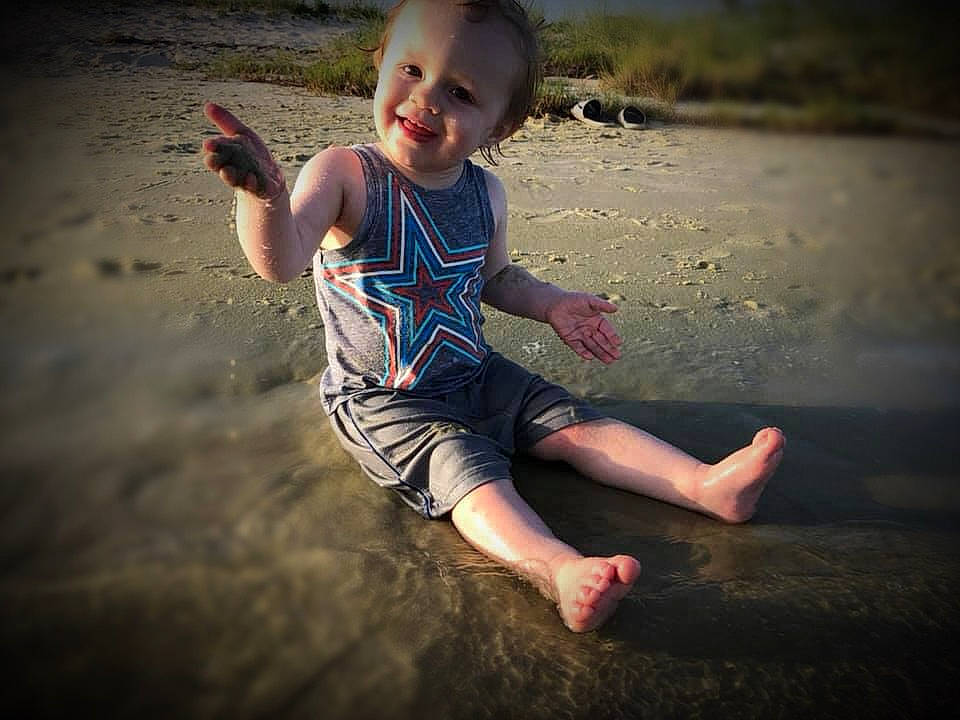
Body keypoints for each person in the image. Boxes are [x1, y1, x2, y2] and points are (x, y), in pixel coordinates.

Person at [201, 0, 785, 633]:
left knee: (574, 424)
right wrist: (265, 199)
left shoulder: (485, 193)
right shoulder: (346, 173)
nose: (427, 100)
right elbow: (281, 260)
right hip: (385, 399)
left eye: (460, 91)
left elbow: (497, 278)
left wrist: (553, 304)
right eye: (412, 71)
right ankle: (556, 569)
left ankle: (705, 486)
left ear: (500, 126)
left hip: (477, 371)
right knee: (467, 473)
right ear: (380, 66)